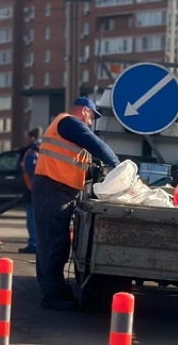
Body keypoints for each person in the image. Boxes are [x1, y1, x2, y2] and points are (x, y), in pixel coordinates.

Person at [32, 96, 120, 311]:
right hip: (53, 189)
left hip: (58, 190)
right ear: (84, 111)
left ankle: (55, 290)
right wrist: (119, 165)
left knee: (56, 243)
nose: (90, 123)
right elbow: (97, 145)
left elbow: (79, 162)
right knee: (53, 244)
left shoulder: (68, 131)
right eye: (91, 117)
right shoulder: (70, 122)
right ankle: (51, 296)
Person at [18, 127, 41, 255]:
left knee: (32, 219)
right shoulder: (42, 149)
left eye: (27, 137)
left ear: (32, 138)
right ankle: (36, 243)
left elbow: (31, 170)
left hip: (32, 189)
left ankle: (33, 244)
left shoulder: (31, 152)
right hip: (38, 189)